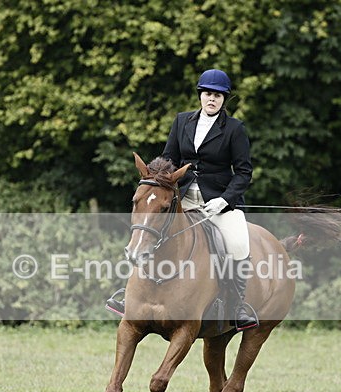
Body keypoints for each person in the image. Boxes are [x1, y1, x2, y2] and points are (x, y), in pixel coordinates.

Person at [107, 68, 258, 331]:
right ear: (200, 95)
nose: (212, 99)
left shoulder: (234, 129)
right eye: (208, 94)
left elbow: (244, 172)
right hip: (182, 198)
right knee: (148, 229)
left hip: (217, 203)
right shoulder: (182, 121)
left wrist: (225, 200)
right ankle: (128, 295)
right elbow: (168, 160)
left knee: (238, 242)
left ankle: (237, 306)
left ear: (224, 100)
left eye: (218, 96)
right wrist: (159, 181)